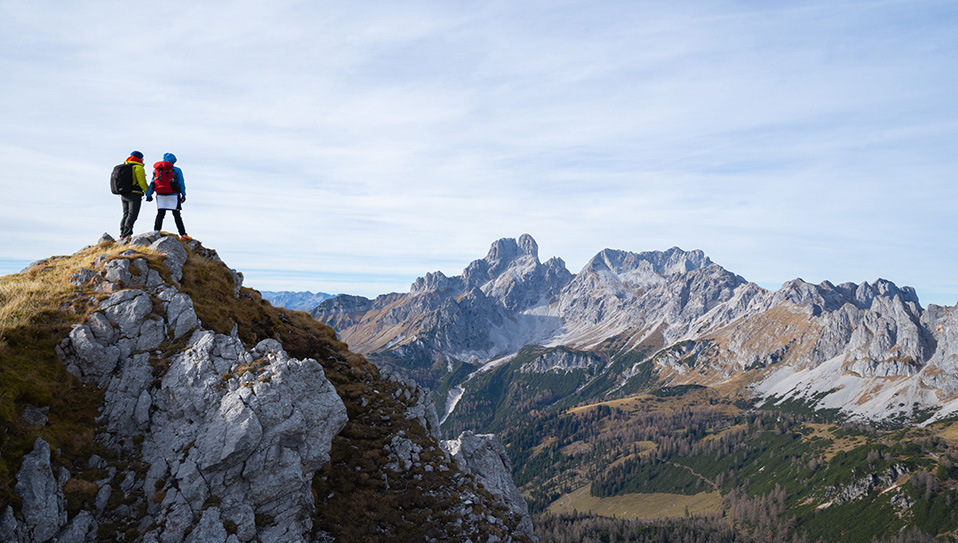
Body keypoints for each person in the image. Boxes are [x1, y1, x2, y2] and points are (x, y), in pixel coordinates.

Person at [146, 152, 191, 241]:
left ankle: (156, 232)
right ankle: (183, 235)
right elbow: (181, 183)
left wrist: (148, 194)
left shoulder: (157, 170)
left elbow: (152, 183)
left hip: (160, 195)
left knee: (160, 214)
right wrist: (183, 194)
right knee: (177, 215)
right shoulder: (177, 170)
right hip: (174, 195)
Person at [118, 150, 149, 240]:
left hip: (123, 194)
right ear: (140, 158)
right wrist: (148, 193)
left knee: (125, 214)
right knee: (132, 214)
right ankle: (126, 234)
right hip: (134, 194)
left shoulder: (124, 166)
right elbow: (142, 183)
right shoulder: (138, 168)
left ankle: (122, 233)